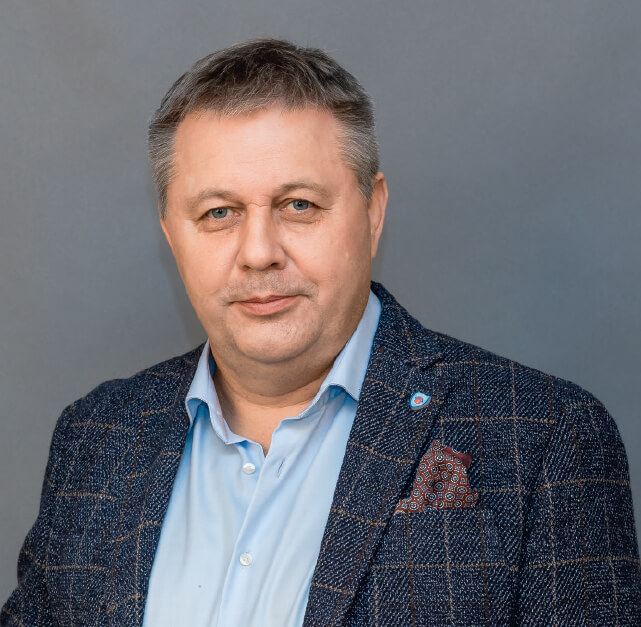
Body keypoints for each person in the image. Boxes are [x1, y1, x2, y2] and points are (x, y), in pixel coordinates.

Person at [2, 38, 640, 627]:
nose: (259, 252)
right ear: (172, 235)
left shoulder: (544, 438)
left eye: (298, 205)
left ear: (373, 212)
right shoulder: (95, 440)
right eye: (219, 213)